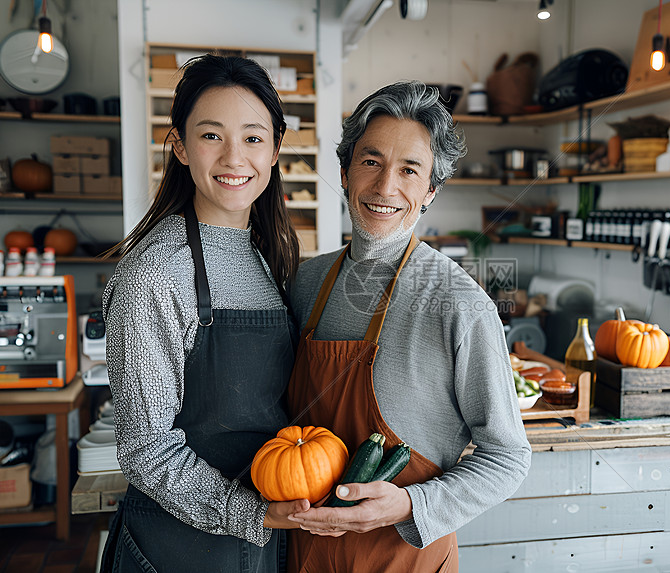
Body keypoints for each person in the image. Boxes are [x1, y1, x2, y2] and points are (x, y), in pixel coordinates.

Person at [286, 80, 532, 572]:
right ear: (345, 171)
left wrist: (411, 506)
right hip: (305, 553)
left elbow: (507, 458)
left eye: (409, 170)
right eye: (371, 162)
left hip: (402, 557)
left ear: (429, 193)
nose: (384, 187)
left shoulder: (461, 304)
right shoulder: (306, 282)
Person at [99, 54, 309, 573]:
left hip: (265, 539)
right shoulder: (154, 272)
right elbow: (146, 448)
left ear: (277, 149)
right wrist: (255, 513)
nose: (235, 157)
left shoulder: (269, 256)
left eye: (254, 138)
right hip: (178, 547)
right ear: (180, 147)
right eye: (212, 135)